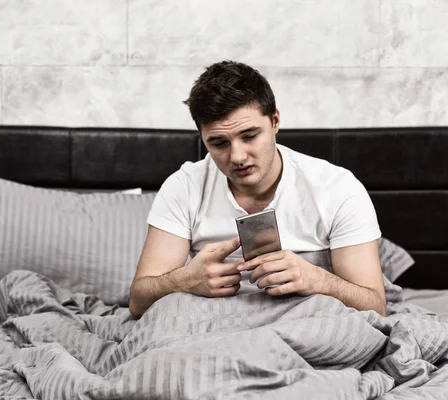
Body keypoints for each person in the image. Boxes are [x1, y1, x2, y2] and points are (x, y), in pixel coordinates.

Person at [128, 60, 386, 319]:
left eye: (249, 136)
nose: (238, 156)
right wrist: (183, 280)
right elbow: (138, 302)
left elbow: (376, 305)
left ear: (275, 121)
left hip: (307, 323)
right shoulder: (183, 186)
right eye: (219, 143)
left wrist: (318, 279)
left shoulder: (337, 188)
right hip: (212, 325)